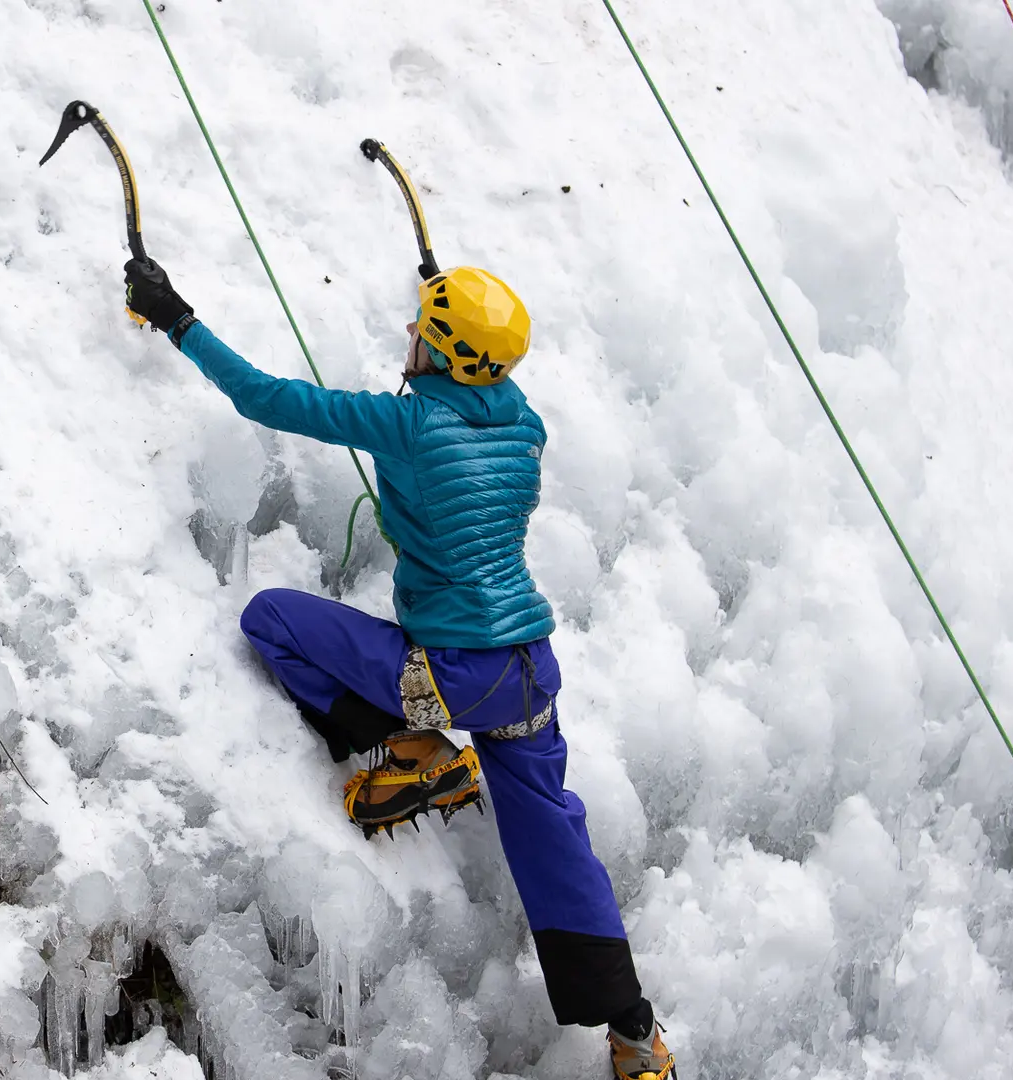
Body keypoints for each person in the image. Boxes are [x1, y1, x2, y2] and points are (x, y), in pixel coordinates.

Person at [122, 258, 677, 1080]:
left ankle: (407, 749)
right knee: (554, 844)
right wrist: (444, 308)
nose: (406, 337)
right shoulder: (523, 425)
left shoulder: (410, 425)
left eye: (421, 330)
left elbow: (270, 399)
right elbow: (472, 391)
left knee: (271, 619)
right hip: (528, 675)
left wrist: (177, 319)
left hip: (448, 674)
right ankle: (636, 1035)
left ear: (445, 352)